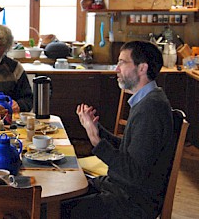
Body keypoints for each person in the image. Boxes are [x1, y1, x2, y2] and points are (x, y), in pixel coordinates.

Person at [61, 41, 175, 218]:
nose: (116, 69)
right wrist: (96, 128)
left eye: (122, 62)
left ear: (142, 68)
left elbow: (133, 174)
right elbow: (131, 151)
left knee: (51, 208)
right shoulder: (149, 101)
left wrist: (96, 140)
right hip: (119, 190)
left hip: (131, 203)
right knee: (65, 189)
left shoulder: (151, 109)